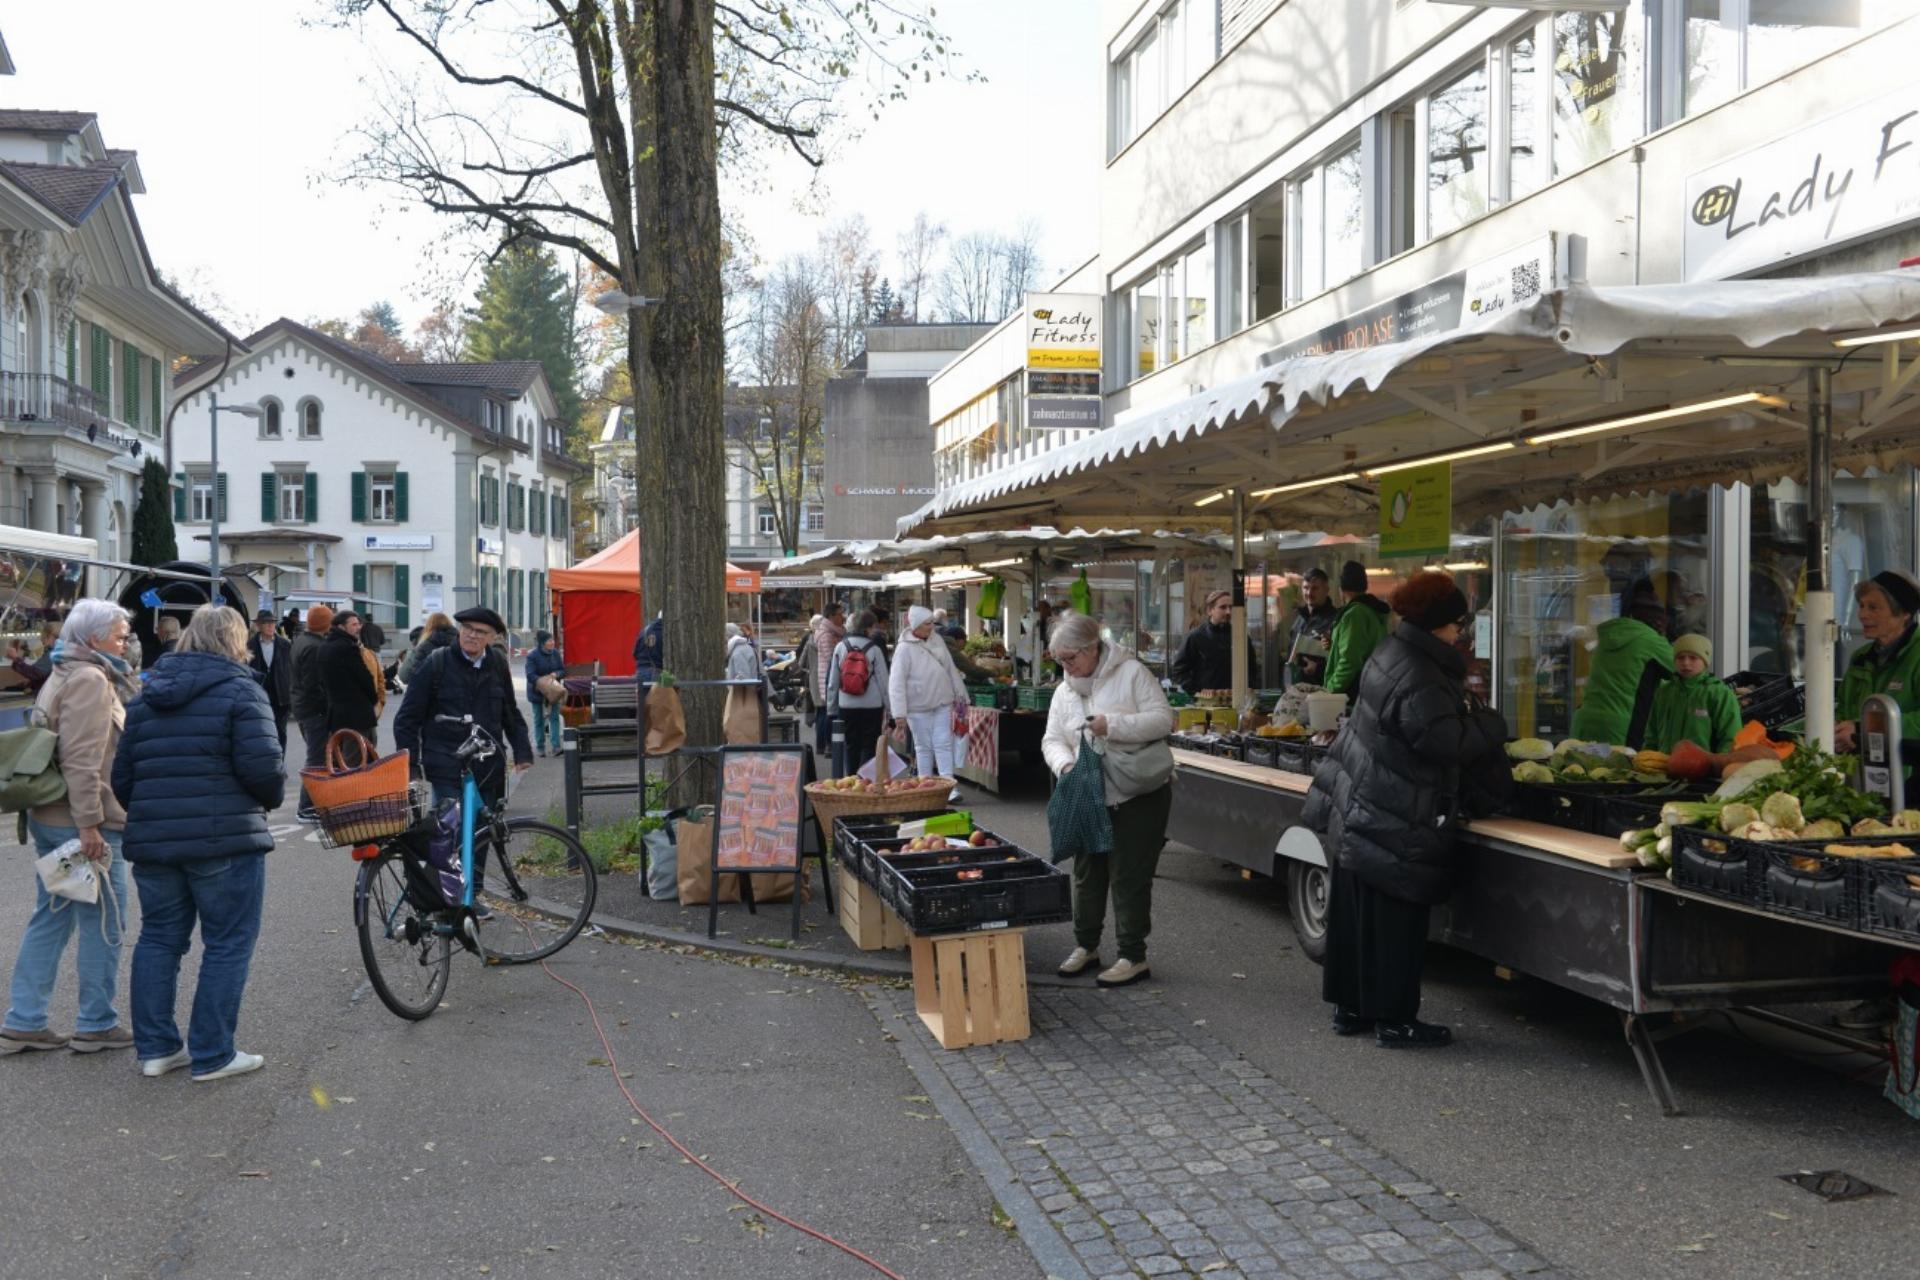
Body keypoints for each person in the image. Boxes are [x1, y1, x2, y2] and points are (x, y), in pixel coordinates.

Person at [1302, 572, 1509, 1049]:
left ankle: (1350, 1007)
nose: (1461, 631)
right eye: (1457, 623)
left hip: (1365, 802)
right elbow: (1442, 741)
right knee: (1396, 923)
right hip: (1396, 810)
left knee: (1356, 916)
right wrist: (1490, 723)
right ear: (1439, 624)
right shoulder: (1422, 671)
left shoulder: (1391, 651)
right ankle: (1396, 1020)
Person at [112, 604, 283, 1081]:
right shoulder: (242, 691)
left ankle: (157, 1049)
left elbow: (122, 779)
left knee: (159, 939)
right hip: (226, 840)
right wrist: (263, 800)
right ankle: (212, 1054)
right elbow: (266, 772)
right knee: (228, 944)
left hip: (155, 842)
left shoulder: (144, 699)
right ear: (235, 641)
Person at [2, 600, 138, 1056]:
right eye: (120, 636)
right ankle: (96, 1023)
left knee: (53, 917)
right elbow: (83, 762)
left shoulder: (64, 670)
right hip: (79, 823)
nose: (126, 643)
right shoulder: (90, 680)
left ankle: (25, 1020)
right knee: (104, 922)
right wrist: (91, 827)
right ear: (95, 639)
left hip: (51, 817)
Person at [1041, 611, 1177, 988]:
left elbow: (1164, 720)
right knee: (1086, 874)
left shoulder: (1132, 673)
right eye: (1061, 660)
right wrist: (1066, 767)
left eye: (1071, 658)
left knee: (1129, 875)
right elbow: (1051, 739)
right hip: (1087, 795)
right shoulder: (1064, 691)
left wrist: (1112, 726)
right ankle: (1086, 946)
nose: (1067, 666)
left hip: (1136, 796)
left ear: (1093, 648)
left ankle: (1132, 955)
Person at [391, 606, 534, 814]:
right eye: (467, 628)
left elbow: (509, 711)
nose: (472, 635)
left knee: (483, 833)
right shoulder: (437, 662)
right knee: (450, 832)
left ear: (492, 637)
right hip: (446, 765)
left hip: (488, 764)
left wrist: (522, 752)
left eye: (480, 631)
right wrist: (410, 766)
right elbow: (407, 718)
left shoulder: (497, 664)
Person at [1568, 580, 1674, 747]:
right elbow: (1685, 670)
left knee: (1582, 771)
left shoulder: (1607, 635)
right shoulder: (1652, 641)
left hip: (1584, 722)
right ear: (1658, 621)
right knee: (1618, 772)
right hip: (1620, 727)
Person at [888, 605, 969, 780]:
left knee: (943, 743)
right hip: (918, 706)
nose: (931, 626)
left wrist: (961, 696)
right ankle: (925, 782)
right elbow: (896, 683)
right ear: (916, 625)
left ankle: (948, 784)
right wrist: (899, 714)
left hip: (942, 701)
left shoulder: (938, 640)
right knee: (923, 746)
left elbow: (950, 668)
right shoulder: (903, 649)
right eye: (927, 623)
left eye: (932, 622)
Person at [1645, 634, 1739, 754]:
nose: (1686, 663)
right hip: (1663, 766)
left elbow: (1730, 738)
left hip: (1703, 769)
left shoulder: (1719, 693)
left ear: (1705, 662)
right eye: (1680, 657)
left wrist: (1719, 766)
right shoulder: (1664, 691)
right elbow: (1651, 734)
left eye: (1693, 658)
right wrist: (1646, 757)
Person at [827, 609, 891, 770]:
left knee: (850, 744)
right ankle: (865, 781)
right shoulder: (875, 649)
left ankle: (851, 780)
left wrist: (831, 708)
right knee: (869, 745)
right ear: (868, 628)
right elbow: (884, 682)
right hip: (872, 706)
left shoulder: (841, 647)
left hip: (846, 704)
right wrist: (891, 709)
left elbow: (833, 681)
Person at [288, 604, 334, 822]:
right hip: (313, 710)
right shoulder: (316, 647)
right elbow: (313, 684)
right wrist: (327, 707)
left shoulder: (300, 641)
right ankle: (306, 808)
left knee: (318, 756)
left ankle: (314, 805)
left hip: (301, 707)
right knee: (317, 759)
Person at [1323, 561, 1390, 698]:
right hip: (1369, 686)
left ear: (1341, 588)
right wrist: (1334, 644)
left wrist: (1329, 691)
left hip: (1352, 694)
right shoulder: (1371, 611)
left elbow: (1350, 660)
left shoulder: (1354, 615)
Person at [1171, 589, 1256, 696]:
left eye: (1230, 607)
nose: (1228, 612)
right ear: (1210, 610)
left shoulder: (1241, 637)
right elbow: (1179, 671)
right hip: (1205, 704)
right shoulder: (1196, 637)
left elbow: (1252, 669)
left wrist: (1249, 687)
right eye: (1223, 607)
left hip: (1236, 701)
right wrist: (1197, 691)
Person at [319, 609, 380, 748]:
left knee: (343, 757)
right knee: (359, 758)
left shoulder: (324, 646)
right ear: (341, 626)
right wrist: (373, 698)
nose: (358, 628)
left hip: (337, 713)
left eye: (358, 624)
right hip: (356, 714)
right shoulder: (347, 647)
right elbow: (364, 677)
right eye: (353, 625)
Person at [246, 609, 293, 752]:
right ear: (259, 626)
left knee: (280, 732)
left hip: (281, 695)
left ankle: (280, 761)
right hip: (259, 695)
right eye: (266, 623)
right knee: (261, 731)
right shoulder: (249, 645)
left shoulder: (285, 644)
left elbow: (291, 669)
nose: (270, 626)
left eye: (272, 623)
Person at [1286, 568, 1339, 685]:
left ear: (1326, 590)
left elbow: (1342, 660)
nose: (1309, 593)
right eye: (1306, 588)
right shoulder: (1299, 619)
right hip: (1296, 689)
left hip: (1321, 692)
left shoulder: (1335, 620)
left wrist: (1318, 668)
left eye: (1315, 588)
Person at [808, 604, 848, 753]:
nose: (842, 617)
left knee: (827, 711)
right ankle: (827, 745)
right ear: (831, 616)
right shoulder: (826, 634)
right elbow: (831, 658)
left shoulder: (834, 632)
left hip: (830, 676)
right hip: (829, 677)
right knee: (827, 712)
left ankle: (826, 745)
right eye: (839, 614)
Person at [524, 630, 566, 758]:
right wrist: (543, 683)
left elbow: (562, 670)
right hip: (537, 691)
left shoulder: (555, 654)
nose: (552, 642)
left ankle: (556, 746)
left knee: (554, 717)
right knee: (538, 719)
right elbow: (530, 675)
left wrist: (556, 674)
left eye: (552, 640)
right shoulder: (532, 656)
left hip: (553, 692)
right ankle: (540, 747)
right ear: (542, 643)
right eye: (549, 640)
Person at [399, 611, 456, 685]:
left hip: (429, 692)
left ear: (428, 626)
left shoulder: (423, 645)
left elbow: (405, 676)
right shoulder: (459, 643)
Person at [634, 612, 665, 682]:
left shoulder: (644, 631)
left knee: (643, 693)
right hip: (658, 673)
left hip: (641, 672)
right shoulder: (666, 632)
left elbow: (635, 653)